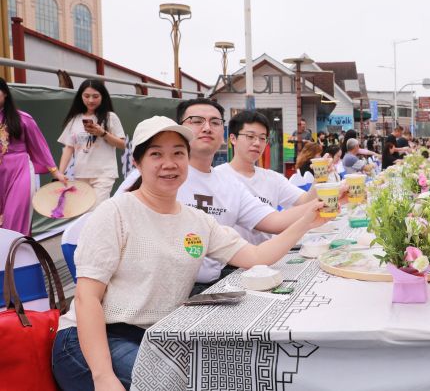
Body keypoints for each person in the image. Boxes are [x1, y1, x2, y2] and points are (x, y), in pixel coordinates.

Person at [51, 116, 325, 390]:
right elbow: (87, 298)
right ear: (137, 162)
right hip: (92, 339)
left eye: (178, 153)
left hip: (158, 337)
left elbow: (255, 257)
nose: (169, 164)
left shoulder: (197, 221)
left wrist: (306, 222)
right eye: (156, 154)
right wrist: (103, 377)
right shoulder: (115, 212)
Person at [115, 98, 323, 290]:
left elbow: (274, 222)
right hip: (150, 290)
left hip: (212, 285)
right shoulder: (152, 178)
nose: (207, 127)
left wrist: (323, 204)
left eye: (215, 122)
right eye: (196, 121)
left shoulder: (229, 185)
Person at [215, 111, 326, 244]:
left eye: (262, 138)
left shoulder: (273, 178)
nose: (257, 143)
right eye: (250, 136)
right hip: (228, 261)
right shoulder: (217, 177)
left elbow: (306, 201)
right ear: (233, 139)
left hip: (267, 254)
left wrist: (320, 176)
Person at [0, 78, 68, 235]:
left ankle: (17, 257)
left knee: (15, 219)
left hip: (20, 171)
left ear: (5, 93)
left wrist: (55, 172)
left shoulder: (23, 118)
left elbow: (40, 147)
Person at [58, 80, 126, 205]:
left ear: (102, 97)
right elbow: (68, 148)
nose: (90, 100)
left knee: (95, 211)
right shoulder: (75, 119)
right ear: (80, 97)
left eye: (95, 96)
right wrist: (60, 173)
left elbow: (122, 144)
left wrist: (103, 133)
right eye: (86, 96)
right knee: (84, 211)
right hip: (81, 174)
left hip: (104, 174)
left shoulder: (110, 117)